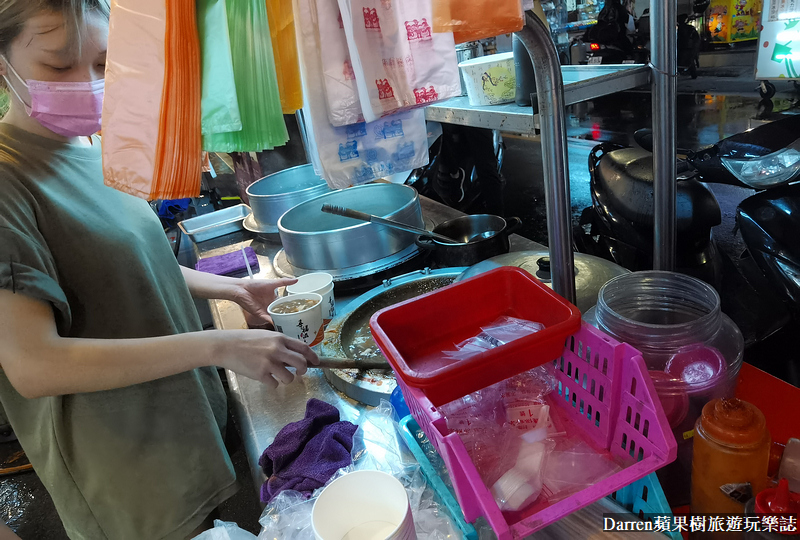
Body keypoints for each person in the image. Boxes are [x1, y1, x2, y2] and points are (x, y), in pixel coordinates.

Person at [0, 1, 319, 539]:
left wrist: (237, 289)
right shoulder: (10, 181)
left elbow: (130, 265)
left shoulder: (91, 147)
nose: (87, 83)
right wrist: (218, 345)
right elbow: (35, 365)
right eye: (58, 66)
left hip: (181, 431)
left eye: (103, 65)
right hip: (126, 476)